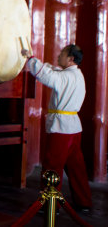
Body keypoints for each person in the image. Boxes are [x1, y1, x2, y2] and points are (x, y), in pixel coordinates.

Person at [21, 44, 93, 212]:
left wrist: (30, 58)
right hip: (73, 127)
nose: (59, 55)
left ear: (71, 59)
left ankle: (50, 204)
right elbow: (52, 70)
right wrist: (35, 60)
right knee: (76, 166)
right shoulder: (76, 74)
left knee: (52, 165)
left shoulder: (66, 77)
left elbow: (47, 76)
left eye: (62, 54)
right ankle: (84, 202)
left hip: (62, 128)